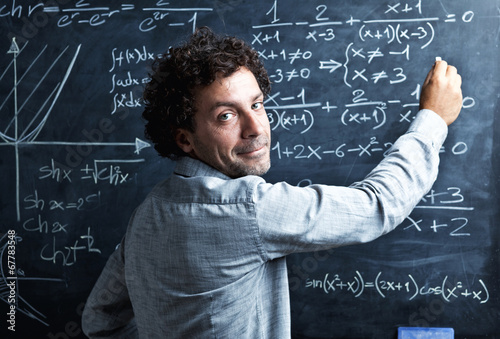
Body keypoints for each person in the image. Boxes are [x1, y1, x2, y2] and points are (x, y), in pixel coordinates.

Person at [82, 26, 462, 338]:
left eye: (257, 104)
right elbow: (378, 206)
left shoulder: (146, 216)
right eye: (226, 116)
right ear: (184, 139)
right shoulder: (245, 209)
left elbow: (99, 321)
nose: (255, 128)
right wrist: (432, 118)